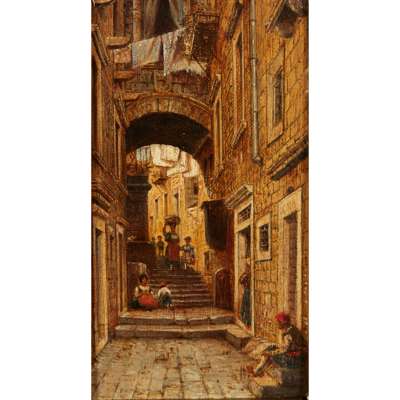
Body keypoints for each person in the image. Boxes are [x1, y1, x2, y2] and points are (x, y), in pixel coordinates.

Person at [247, 312, 307, 376]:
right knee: (270, 348)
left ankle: (257, 371)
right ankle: (258, 370)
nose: (277, 324)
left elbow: (284, 350)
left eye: (278, 322)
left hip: (295, 359)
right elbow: (287, 346)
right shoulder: (292, 329)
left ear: (283, 323)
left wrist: (270, 353)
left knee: (269, 355)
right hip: (297, 355)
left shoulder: (288, 335)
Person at [239, 262, 251, 327]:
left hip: (248, 291)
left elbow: (242, 281)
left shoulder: (248, 275)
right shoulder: (245, 274)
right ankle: (244, 320)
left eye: (247, 268)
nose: (246, 269)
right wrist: (244, 274)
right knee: (244, 306)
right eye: (246, 268)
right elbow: (240, 281)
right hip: (246, 291)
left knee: (247, 306)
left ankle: (247, 321)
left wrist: (245, 275)